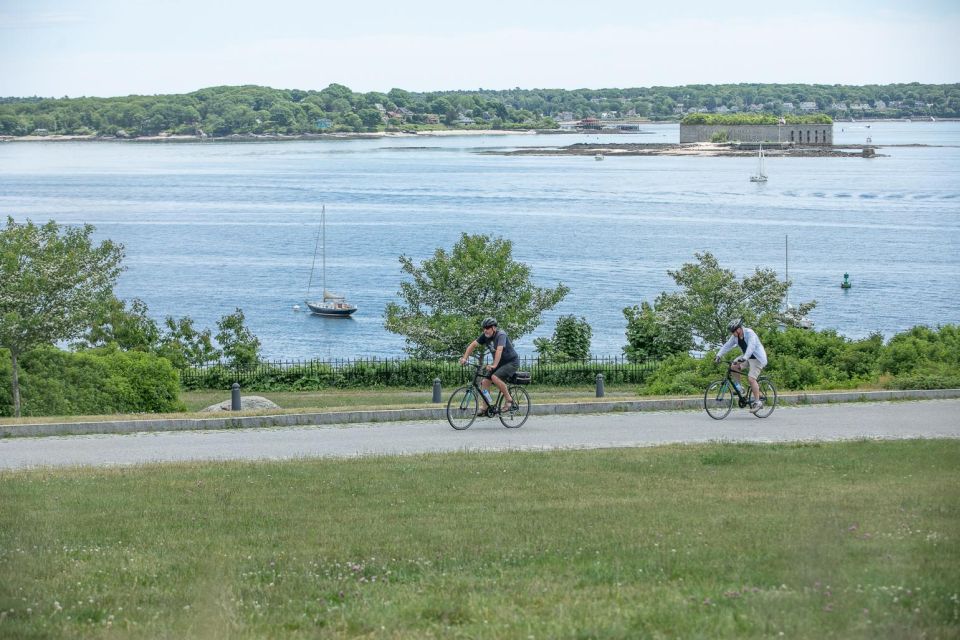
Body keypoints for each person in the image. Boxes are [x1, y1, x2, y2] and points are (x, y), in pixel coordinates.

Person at [459, 317, 519, 413]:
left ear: (494, 328)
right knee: (485, 382)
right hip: (500, 363)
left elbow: (499, 350)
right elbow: (472, 345)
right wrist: (465, 358)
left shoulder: (501, 335)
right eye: (484, 328)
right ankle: (485, 407)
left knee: (495, 377)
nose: (485, 330)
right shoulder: (485, 336)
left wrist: (494, 365)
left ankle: (509, 400)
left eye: (487, 328)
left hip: (511, 362)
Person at [714, 318, 768, 414]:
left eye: (733, 331)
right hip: (746, 357)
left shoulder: (750, 333)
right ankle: (740, 388)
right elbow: (727, 345)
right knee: (733, 366)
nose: (732, 333)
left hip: (757, 358)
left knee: (751, 379)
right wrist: (718, 355)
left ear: (738, 329)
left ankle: (758, 402)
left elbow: (751, 347)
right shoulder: (735, 337)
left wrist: (744, 358)